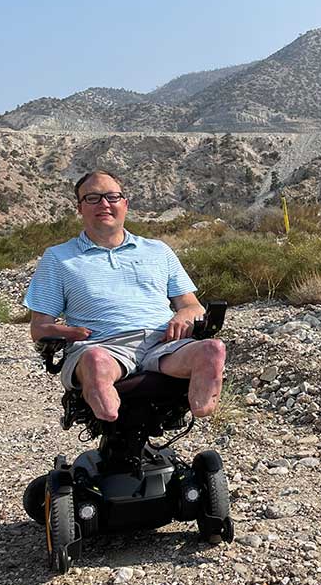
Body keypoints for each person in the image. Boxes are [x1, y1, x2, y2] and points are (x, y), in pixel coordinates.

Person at [23, 170, 224, 422]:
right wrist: (69, 333)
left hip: (162, 343)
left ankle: (202, 411)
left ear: (125, 204)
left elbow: (192, 306)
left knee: (212, 350)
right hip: (102, 345)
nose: (104, 204)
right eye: (93, 198)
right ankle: (109, 416)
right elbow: (40, 328)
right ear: (80, 208)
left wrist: (184, 316)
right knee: (96, 362)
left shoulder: (158, 250)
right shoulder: (58, 258)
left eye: (112, 197)